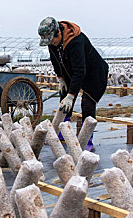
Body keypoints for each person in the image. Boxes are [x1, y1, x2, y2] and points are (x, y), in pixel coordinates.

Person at [38, 16, 108, 150]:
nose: (51, 43)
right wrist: (61, 78)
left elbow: (80, 71)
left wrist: (72, 96)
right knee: (64, 99)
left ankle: (87, 141)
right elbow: (55, 61)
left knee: (87, 104)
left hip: (94, 74)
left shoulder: (76, 41)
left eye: (52, 40)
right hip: (70, 71)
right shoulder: (52, 43)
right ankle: (62, 132)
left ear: (58, 33)